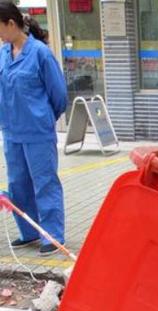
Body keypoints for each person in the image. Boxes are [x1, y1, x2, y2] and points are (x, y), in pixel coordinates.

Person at [0, 1, 67, 256]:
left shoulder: (40, 53)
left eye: (0, 28)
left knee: (45, 183)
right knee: (18, 185)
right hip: (12, 132)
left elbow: (59, 95)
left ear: (11, 24)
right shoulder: (4, 53)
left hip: (37, 132)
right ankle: (29, 232)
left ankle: (51, 235)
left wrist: (44, 118)